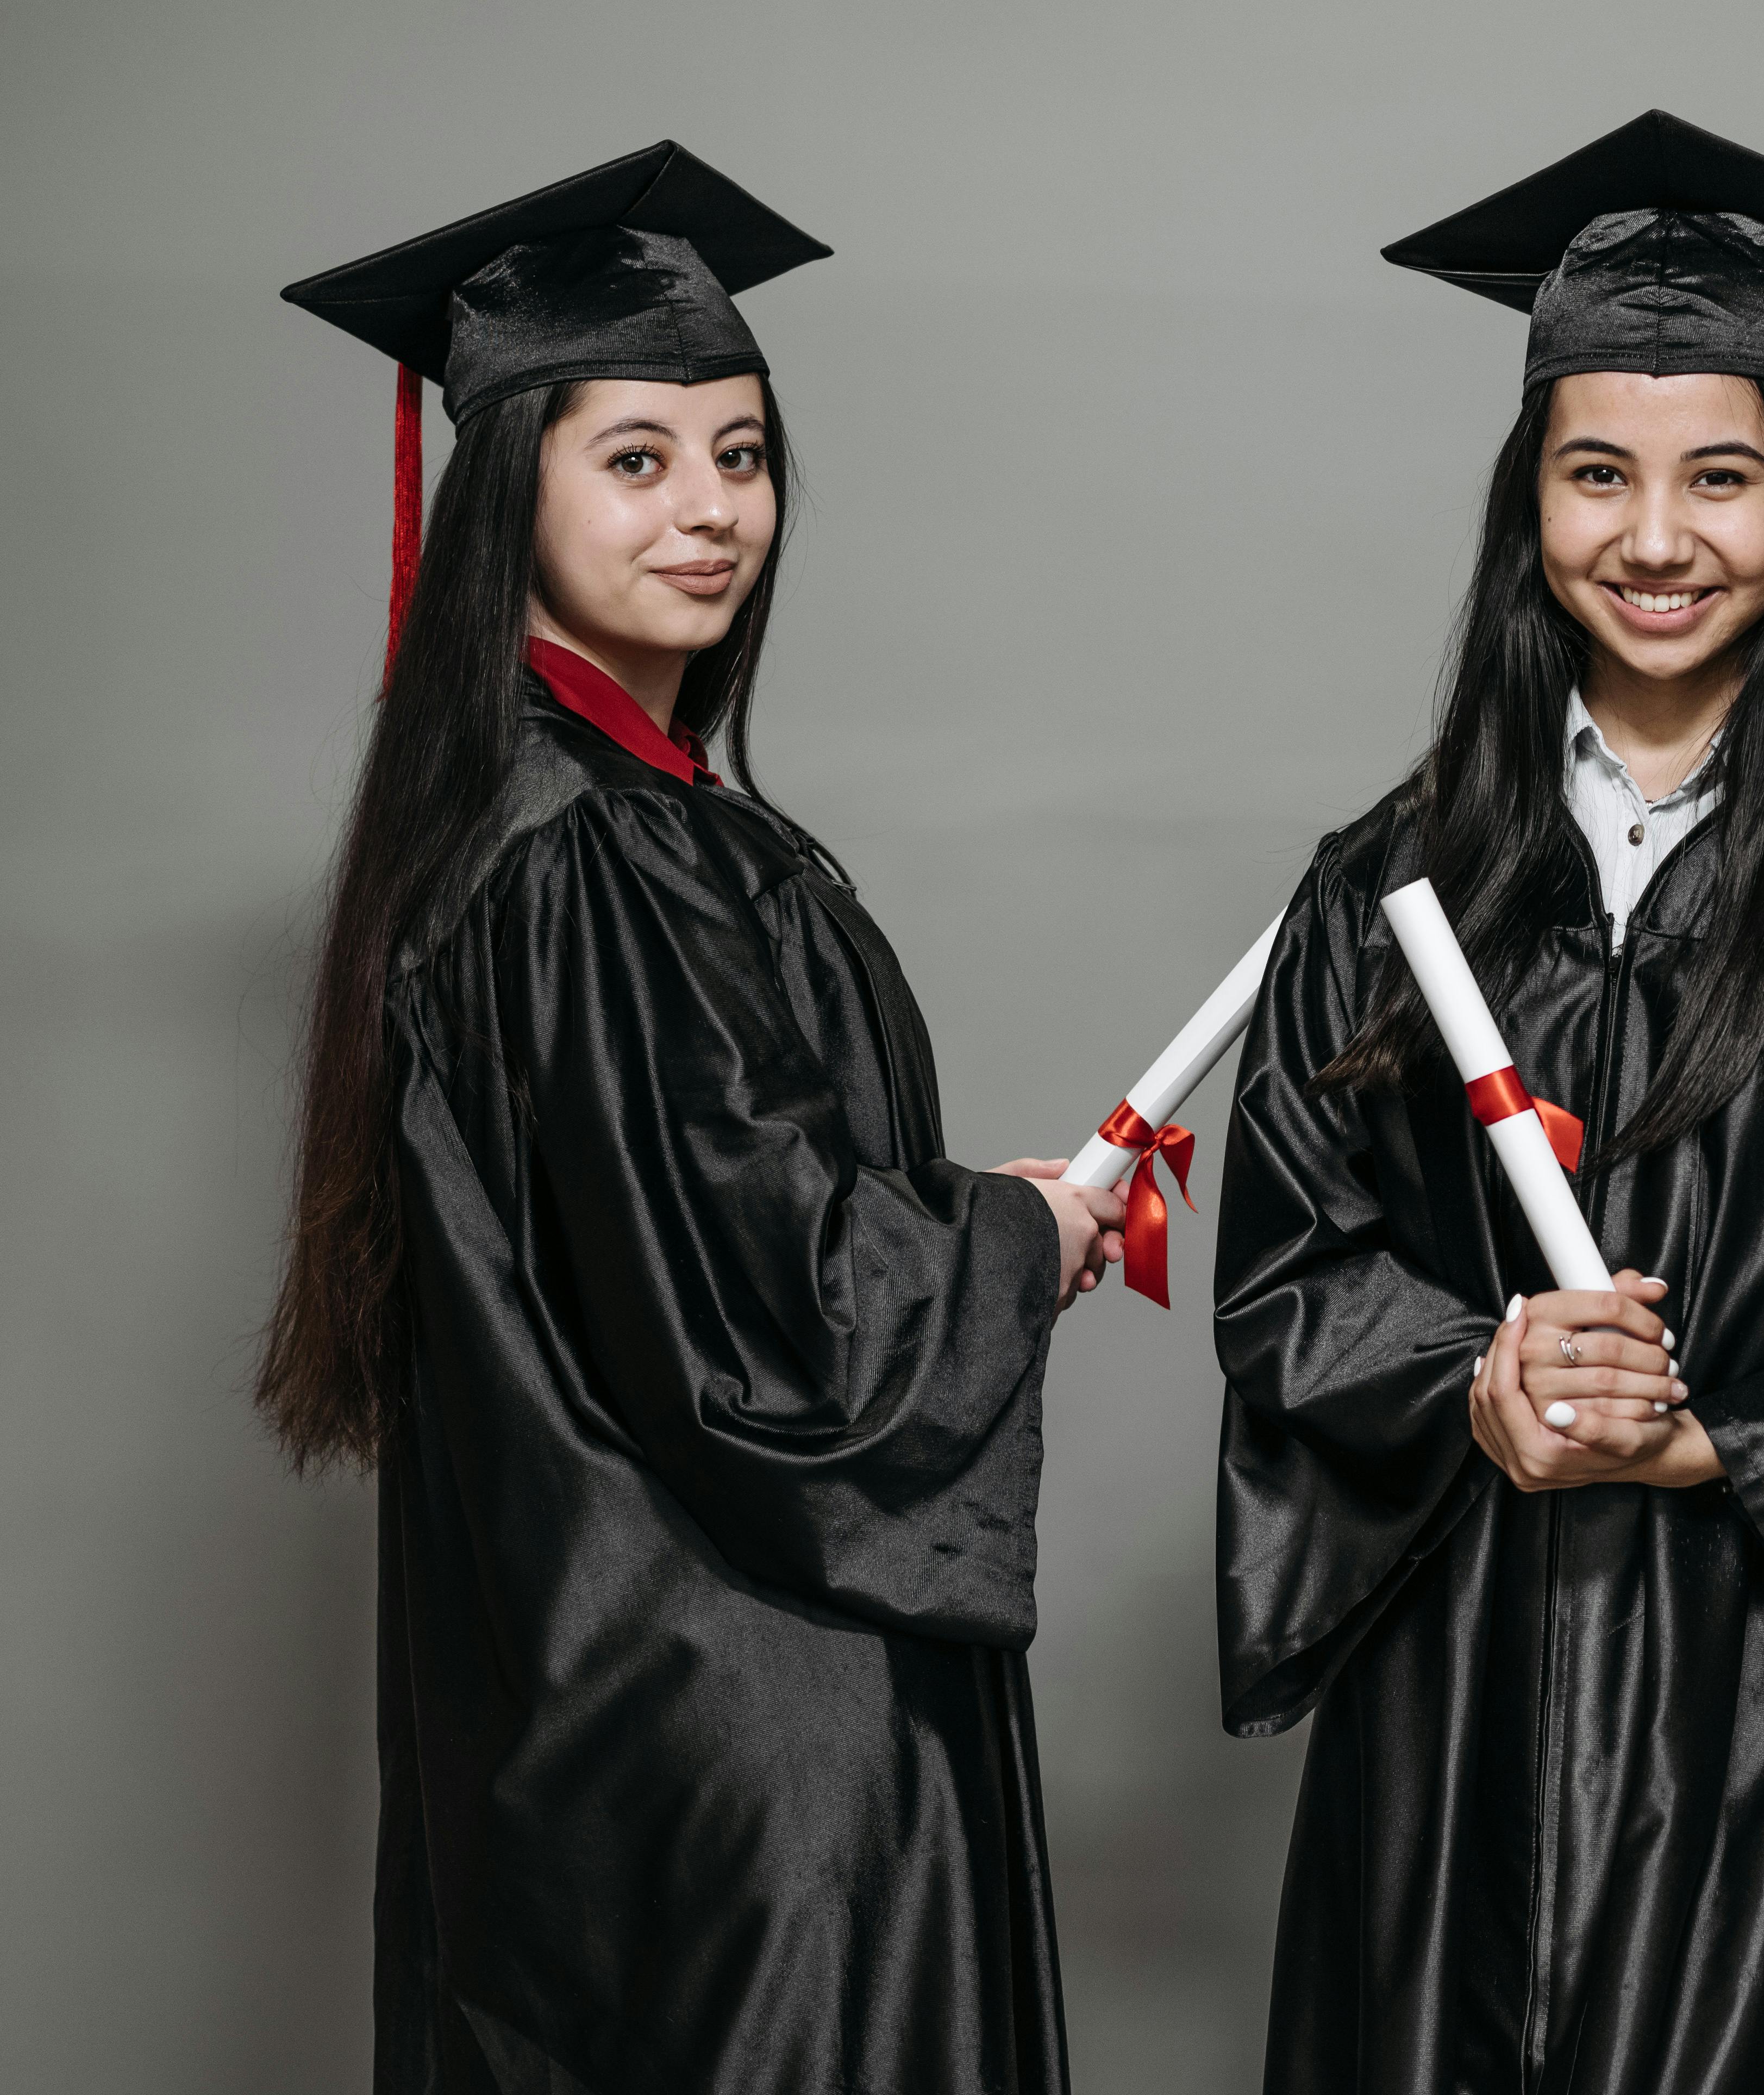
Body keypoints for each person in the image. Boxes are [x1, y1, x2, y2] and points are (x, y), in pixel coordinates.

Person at [1210, 113, 1764, 2094]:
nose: (1657, 539)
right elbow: (1286, 1277)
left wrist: (1726, 1435)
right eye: (1595, 474)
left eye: (1725, 478)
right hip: (1458, 1698)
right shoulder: (1394, 880)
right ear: (1526, 499)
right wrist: (1482, 1380)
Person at [261, 144, 1122, 2095]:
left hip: (596, 1709)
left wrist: (945, 1214)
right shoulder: (595, 859)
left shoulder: (545, 822)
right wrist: (1023, 1240)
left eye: (740, 456)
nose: (714, 510)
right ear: (509, 495)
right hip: (745, 1739)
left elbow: (686, 1234)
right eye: (637, 460)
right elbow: (775, 1325)